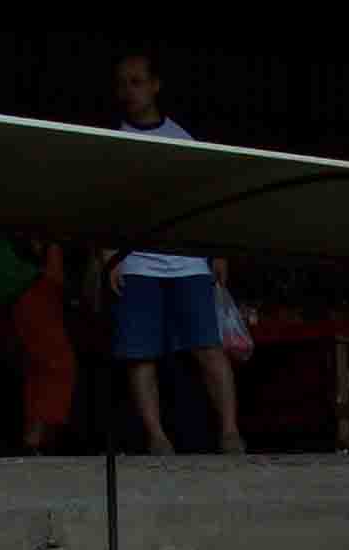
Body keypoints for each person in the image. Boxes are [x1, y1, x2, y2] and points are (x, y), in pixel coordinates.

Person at [102, 51, 244, 456]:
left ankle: (230, 432)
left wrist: (217, 252)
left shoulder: (182, 139)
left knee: (207, 348)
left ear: (155, 86)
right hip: (138, 262)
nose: (129, 91)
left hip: (186, 261)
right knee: (139, 352)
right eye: (123, 83)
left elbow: (207, 199)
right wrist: (107, 255)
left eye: (136, 82)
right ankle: (157, 437)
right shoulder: (115, 142)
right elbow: (102, 202)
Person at [0, 236, 77, 453]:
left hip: (5, 297)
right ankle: (36, 438)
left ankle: (39, 438)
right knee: (56, 364)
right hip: (30, 288)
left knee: (35, 367)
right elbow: (42, 239)